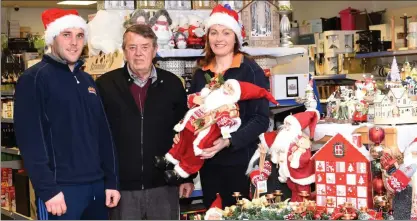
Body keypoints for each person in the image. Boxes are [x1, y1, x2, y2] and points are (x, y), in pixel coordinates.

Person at [14, 8, 120, 220]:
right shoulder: (34, 79)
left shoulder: (88, 81)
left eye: (80, 35)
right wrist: (48, 190)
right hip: (60, 191)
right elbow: (30, 140)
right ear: (53, 38)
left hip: (97, 188)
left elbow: (103, 134)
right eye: (66, 35)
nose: (74, 42)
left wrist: (111, 181)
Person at [95, 24, 194, 219]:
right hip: (121, 189)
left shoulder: (173, 84)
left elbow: (186, 133)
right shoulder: (105, 85)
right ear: (124, 52)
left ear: (155, 50)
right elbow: (97, 136)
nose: (138, 53)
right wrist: (107, 181)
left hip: (164, 186)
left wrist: (187, 176)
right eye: (132, 47)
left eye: (145, 47)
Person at [183, 4, 270, 208]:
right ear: (207, 37)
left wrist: (228, 141)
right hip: (208, 164)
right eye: (213, 32)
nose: (219, 38)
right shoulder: (201, 73)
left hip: (241, 162)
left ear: (236, 37)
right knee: (213, 211)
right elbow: (193, 118)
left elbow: (261, 119)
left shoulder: (249, 70)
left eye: (225, 32)